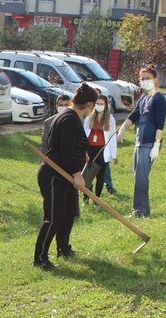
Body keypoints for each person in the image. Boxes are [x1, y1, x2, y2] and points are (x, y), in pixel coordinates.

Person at [33, 83, 97, 268]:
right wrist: (78, 175)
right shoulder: (69, 118)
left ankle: (64, 249)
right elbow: (65, 149)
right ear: (90, 104)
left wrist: (81, 153)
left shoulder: (70, 116)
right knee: (53, 217)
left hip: (65, 176)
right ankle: (40, 258)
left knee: (69, 214)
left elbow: (69, 144)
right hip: (55, 175)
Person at [117, 65, 166, 217]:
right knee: (138, 177)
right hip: (140, 141)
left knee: (141, 177)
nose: (144, 81)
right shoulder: (144, 98)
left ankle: (139, 210)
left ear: (155, 79)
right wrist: (122, 128)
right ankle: (143, 209)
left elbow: (160, 124)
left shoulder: (159, 99)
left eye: (147, 78)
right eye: (142, 79)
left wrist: (157, 144)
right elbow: (134, 116)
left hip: (150, 143)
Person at [82, 94, 118, 198]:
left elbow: (112, 137)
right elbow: (84, 136)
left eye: (101, 104)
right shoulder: (89, 118)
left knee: (100, 175)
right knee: (87, 175)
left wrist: (113, 154)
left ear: (106, 105)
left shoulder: (110, 119)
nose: (99, 106)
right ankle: (86, 197)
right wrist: (84, 151)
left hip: (102, 150)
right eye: (97, 103)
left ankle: (97, 199)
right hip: (90, 149)